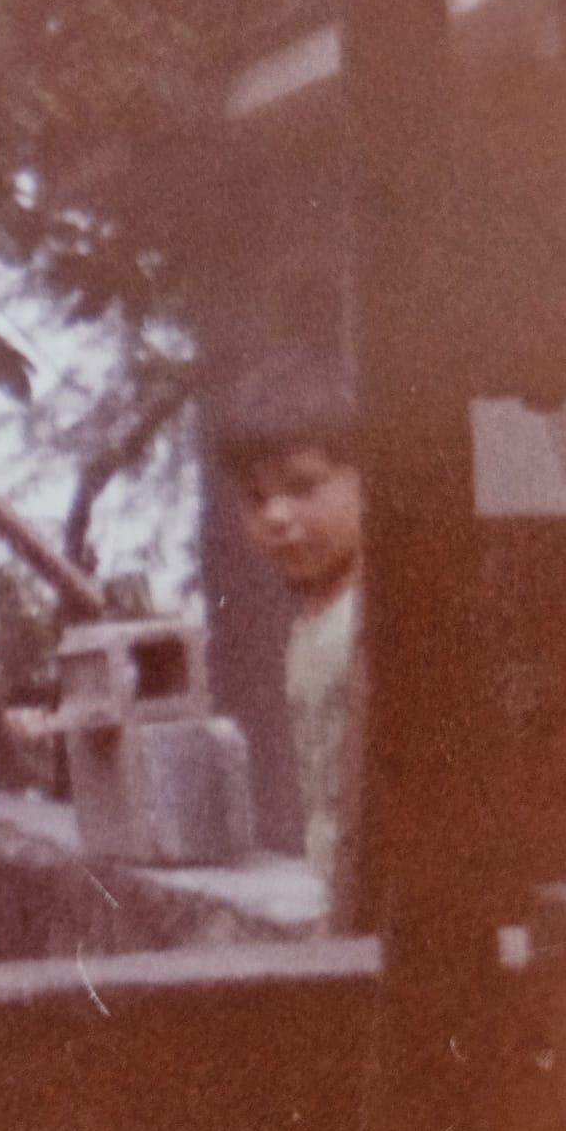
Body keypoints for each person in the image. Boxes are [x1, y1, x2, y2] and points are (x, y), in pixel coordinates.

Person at [214, 350, 366, 931]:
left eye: (304, 486)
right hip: (339, 903)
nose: (276, 514)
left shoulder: (373, 621)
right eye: (256, 497)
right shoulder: (310, 620)